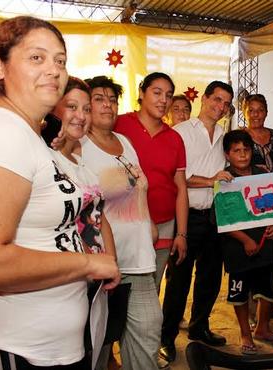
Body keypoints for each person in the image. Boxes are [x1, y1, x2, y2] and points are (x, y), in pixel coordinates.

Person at [0, 16, 119, 368]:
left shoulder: (25, 134)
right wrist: (88, 262)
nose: (53, 69)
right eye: (37, 57)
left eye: (60, 60)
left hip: (46, 347)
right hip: (11, 347)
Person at [82, 75, 162, 370]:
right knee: (98, 345)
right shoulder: (79, 145)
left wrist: (149, 224)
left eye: (113, 100)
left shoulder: (125, 142)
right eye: (99, 99)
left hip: (139, 258)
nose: (108, 105)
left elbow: (139, 187)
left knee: (148, 332)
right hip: (102, 264)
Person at [159, 80, 234, 362]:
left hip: (215, 216)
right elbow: (176, 178)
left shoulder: (225, 135)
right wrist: (212, 181)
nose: (220, 107)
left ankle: (199, 327)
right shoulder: (181, 132)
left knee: (211, 277)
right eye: (216, 100)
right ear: (204, 99)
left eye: (226, 103)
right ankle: (166, 337)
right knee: (178, 281)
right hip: (187, 216)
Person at [115, 72, 188, 292]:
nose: (163, 100)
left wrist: (181, 234)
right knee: (121, 290)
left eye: (168, 95)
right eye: (157, 93)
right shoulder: (120, 125)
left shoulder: (174, 138)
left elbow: (181, 188)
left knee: (151, 290)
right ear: (141, 93)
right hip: (125, 224)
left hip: (165, 225)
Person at [220, 130, 273, 355]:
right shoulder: (225, 179)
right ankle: (245, 333)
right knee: (239, 292)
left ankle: (263, 328)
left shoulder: (262, 174)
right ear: (227, 154)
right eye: (236, 151)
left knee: (269, 286)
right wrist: (245, 240)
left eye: (246, 150)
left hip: (264, 243)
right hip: (237, 248)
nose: (242, 155)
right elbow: (224, 218)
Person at [49, 76, 116, 258]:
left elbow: (99, 214)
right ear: (53, 109)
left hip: (97, 271)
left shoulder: (79, 160)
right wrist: (94, 264)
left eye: (86, 109)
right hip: (74, 267)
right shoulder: (47, 160)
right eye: (72, 107)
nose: (81, 116)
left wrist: (111, 260)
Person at [243, 94, 273, 173]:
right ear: (244, 113)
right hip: (248, 184)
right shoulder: (239, 137)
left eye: (261, 110)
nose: (256, 114)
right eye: (251, 110)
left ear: (266, 113)